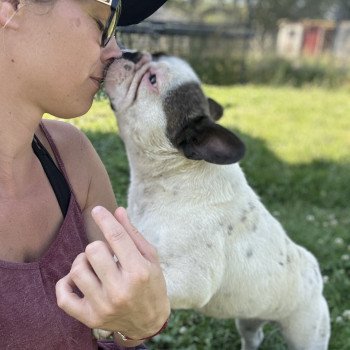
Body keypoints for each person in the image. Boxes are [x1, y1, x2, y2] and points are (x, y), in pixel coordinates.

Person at [0, 0, 170, 349]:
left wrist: (139, 325)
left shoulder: (73, 159)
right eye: (101, 24)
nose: (115, 52)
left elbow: (123, 331)